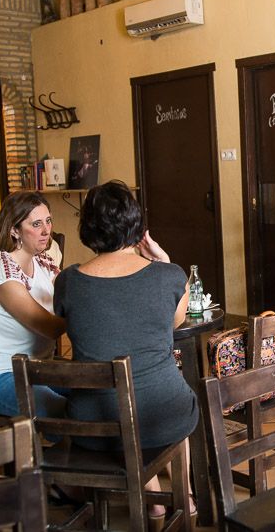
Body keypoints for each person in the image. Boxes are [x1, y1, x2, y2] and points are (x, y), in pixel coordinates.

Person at [54, 180, 196, 513]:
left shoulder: (68, 281)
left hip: (93, 422)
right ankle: (184, 496)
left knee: (126, 406)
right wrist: (164, 261)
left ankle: (153, 500)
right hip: (165, 414)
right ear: (137, 225)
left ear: (88, 227)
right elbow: (174, 322)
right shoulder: (169, 275)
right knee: (170, 395)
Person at [0, 191, 66, 417]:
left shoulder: (43, 261)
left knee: (94, 395)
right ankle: (51, 452)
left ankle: (69, 449)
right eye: (36, 224)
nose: (46, 230)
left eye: (48, 221)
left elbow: (68, 295)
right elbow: (50, 327)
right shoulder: (1, 272)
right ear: (14, 230)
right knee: (58, 410)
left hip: (33, 368)